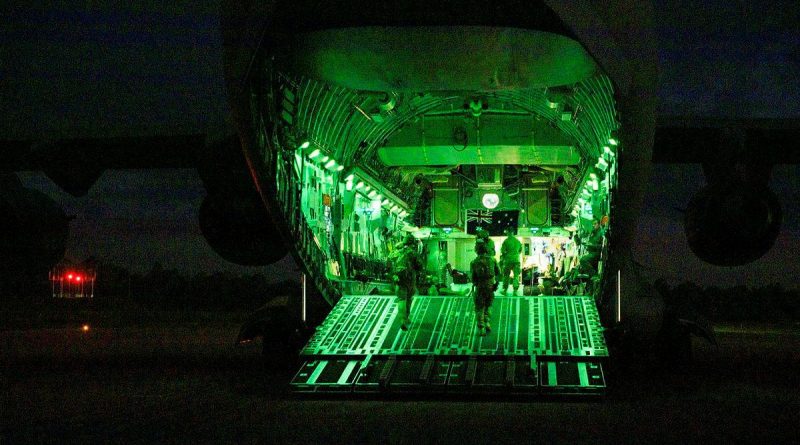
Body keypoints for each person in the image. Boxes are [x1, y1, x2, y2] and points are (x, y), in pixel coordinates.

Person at [389, 234, 421, 330]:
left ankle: (403, 319)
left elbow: (388, 264)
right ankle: (406, 318)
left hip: (397, 278)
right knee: (409, 298)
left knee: (401, 299)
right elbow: (419, 266)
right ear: (412, 243)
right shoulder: (412, 252)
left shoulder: (395, 252)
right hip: (409, 279)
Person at [470, 240, 500, 336]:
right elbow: (499, 272)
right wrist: (496, 284)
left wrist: (475, 284)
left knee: (479, 308)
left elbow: (473, 278)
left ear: (477, 251)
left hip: (480, 287)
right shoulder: (493, 260)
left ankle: (481, 328)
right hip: (490, 286)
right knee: (488, 305)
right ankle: (487, 322)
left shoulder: (474, 262)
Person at [500, 227, 522, 295]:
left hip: (508, 261)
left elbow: (503, 252)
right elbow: (520, 251)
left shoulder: (506, 241)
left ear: (508, 232)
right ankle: (515, 291)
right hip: (516, 260)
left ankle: (505, 290)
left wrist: (503, 259)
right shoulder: (518, 241)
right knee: (516, 276)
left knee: (506, 275)